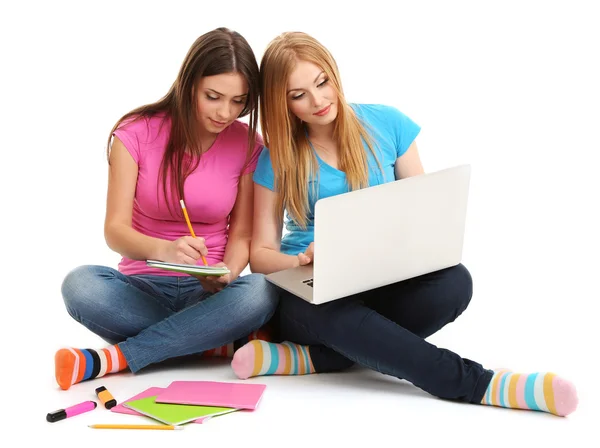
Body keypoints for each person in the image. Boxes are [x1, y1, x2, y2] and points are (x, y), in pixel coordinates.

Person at [230, 31, 578, 417]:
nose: (318, 101)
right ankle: (481, 384)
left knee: (455, 281)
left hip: (380, 278)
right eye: (299, 95)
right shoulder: (276, 158)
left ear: (334, 73)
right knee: (327, 315)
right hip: (311, 294)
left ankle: (320, 359)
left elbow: (421, 214)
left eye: (322, 82)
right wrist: (301, 263)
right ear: (283, 104)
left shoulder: (388, 123)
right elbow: (260, 256)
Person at [55, 27, 279, 391]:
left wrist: (226, 273)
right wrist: (165, 251)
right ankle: (210, 341)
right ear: (190, 83)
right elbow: (115, 230)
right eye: (214, 96)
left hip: (208, 293)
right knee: (79, 284)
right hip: (140, 286)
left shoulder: (247, 144)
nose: (226, 112)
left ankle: (116, 358)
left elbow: (241, 233)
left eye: (238, 101)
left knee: (261, 291)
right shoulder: (135, 132)